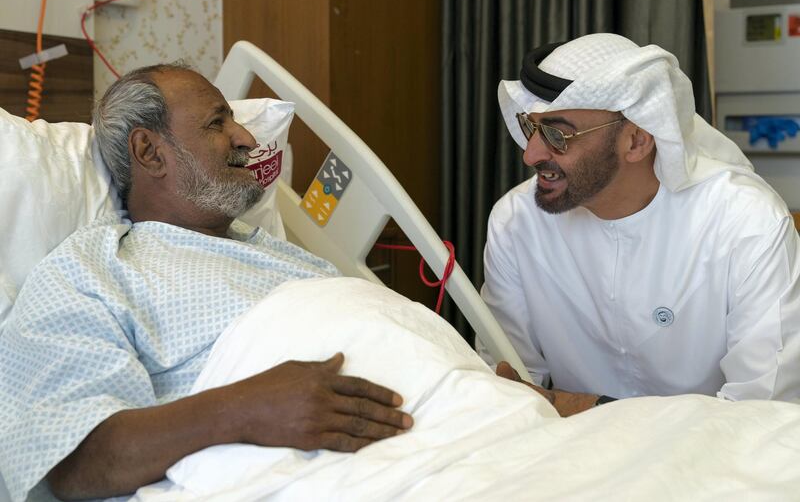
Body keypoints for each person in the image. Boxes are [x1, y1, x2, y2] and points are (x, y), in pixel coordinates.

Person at [0, 64, 413, 502]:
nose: (248, 140)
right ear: (150, 152)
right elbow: (75, 461)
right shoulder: (92, 271)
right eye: (218, 122)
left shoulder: (284, 255)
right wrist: (243, 409)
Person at [481, 33, 800, 416]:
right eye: (530, 127)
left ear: (636, 140)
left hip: (710, 464)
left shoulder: (745, 224)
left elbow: (763, 413)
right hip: (566, 459)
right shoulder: (516, 222)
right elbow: (506, 387)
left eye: (558, 135)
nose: (531, 153)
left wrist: (588, 409)